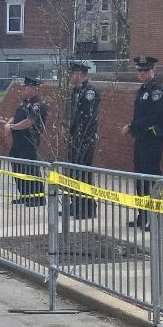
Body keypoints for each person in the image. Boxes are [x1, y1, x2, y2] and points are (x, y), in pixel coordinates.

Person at [121, 56, 163, 228]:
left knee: (151, 178)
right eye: (140, 70)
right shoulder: (142, 90)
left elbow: (152, 116)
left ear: (153, 70)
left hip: (152, 140)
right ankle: (143, 215)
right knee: (140, 178)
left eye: (145, 70)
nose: (142, 73)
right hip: (141, 139)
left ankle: (158, 218)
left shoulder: (158, 91)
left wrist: (131, 126)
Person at [5, 77, 48, 207]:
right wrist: (8, 123)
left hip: (29, 140)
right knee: (18, 168)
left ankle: (38, 197)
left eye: (27, 87)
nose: (24, 89)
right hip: (18, 141)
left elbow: (30, 121)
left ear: (34, 88)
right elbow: (16, 116)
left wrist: (13, 127)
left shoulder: (38, 104)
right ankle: (25, 195)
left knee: (30, 170)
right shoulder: (24, 102)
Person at [66, 61, 101, 219]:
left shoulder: (89, 92)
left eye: (72, 73)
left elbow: (87, 118)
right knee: (74, 173)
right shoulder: (76, 91)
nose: (70, 76)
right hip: (75, 139)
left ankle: (87, 208)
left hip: (84, 139)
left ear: (79, 73)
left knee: (83, 174)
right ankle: (76, 204)